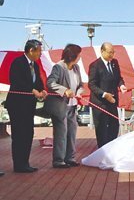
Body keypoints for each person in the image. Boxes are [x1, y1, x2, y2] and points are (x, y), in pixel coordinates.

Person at [5, 39, 47, 173]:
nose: (40, 54)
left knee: (29, 133)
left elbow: (38, 82)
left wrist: (42, 90)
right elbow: (16, 81)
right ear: (31, 50)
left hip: (29, 105)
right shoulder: (18, 63)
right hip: (17, 105)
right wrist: (31, 90)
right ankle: (19, 164)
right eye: (39, 51)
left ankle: (25, 162)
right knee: (19, 134)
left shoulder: (35, 65)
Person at [45, 44, 84, 168]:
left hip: (73, 105)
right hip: (60, 106)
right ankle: (58, 160)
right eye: (78, 55)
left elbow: (81, 85)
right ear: (73, 55)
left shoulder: (76, 68)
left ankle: (70, 158)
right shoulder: (58, 67)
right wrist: (64, 90)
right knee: (61, 133)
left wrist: (78, 93)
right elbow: (50, 83)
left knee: (72, 132)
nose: (80, 58)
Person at [88, 42, 126, 148]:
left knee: (114, 127)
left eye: (113, 52)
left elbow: (119, 78)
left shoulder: (114, 63)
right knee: (102, 129)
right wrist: (104, 94)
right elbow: (92, 84)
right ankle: (103, 151)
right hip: (100, 103)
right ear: (102, 51)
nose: (111, 55)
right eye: (109, 52)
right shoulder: (95, 65)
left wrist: (121, 85)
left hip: (112, 102)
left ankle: (112, 149)